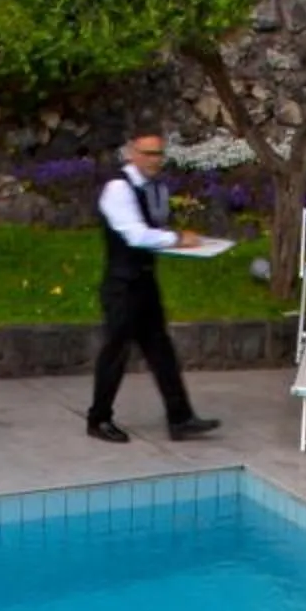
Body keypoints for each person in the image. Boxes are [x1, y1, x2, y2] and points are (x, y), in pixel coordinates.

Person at [87, 128, 222, 444]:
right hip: (122, 285)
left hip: (145, 281)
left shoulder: (155, 188)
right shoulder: (118, 189)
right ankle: (98, 418)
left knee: (161, 351)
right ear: (132, 153)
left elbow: (154, 227)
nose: (154, 160)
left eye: (158, 153)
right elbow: (135, 234)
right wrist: (176, 239)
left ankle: (181, 418)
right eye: (147, 153)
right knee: (115, 352)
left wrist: (180, 239)